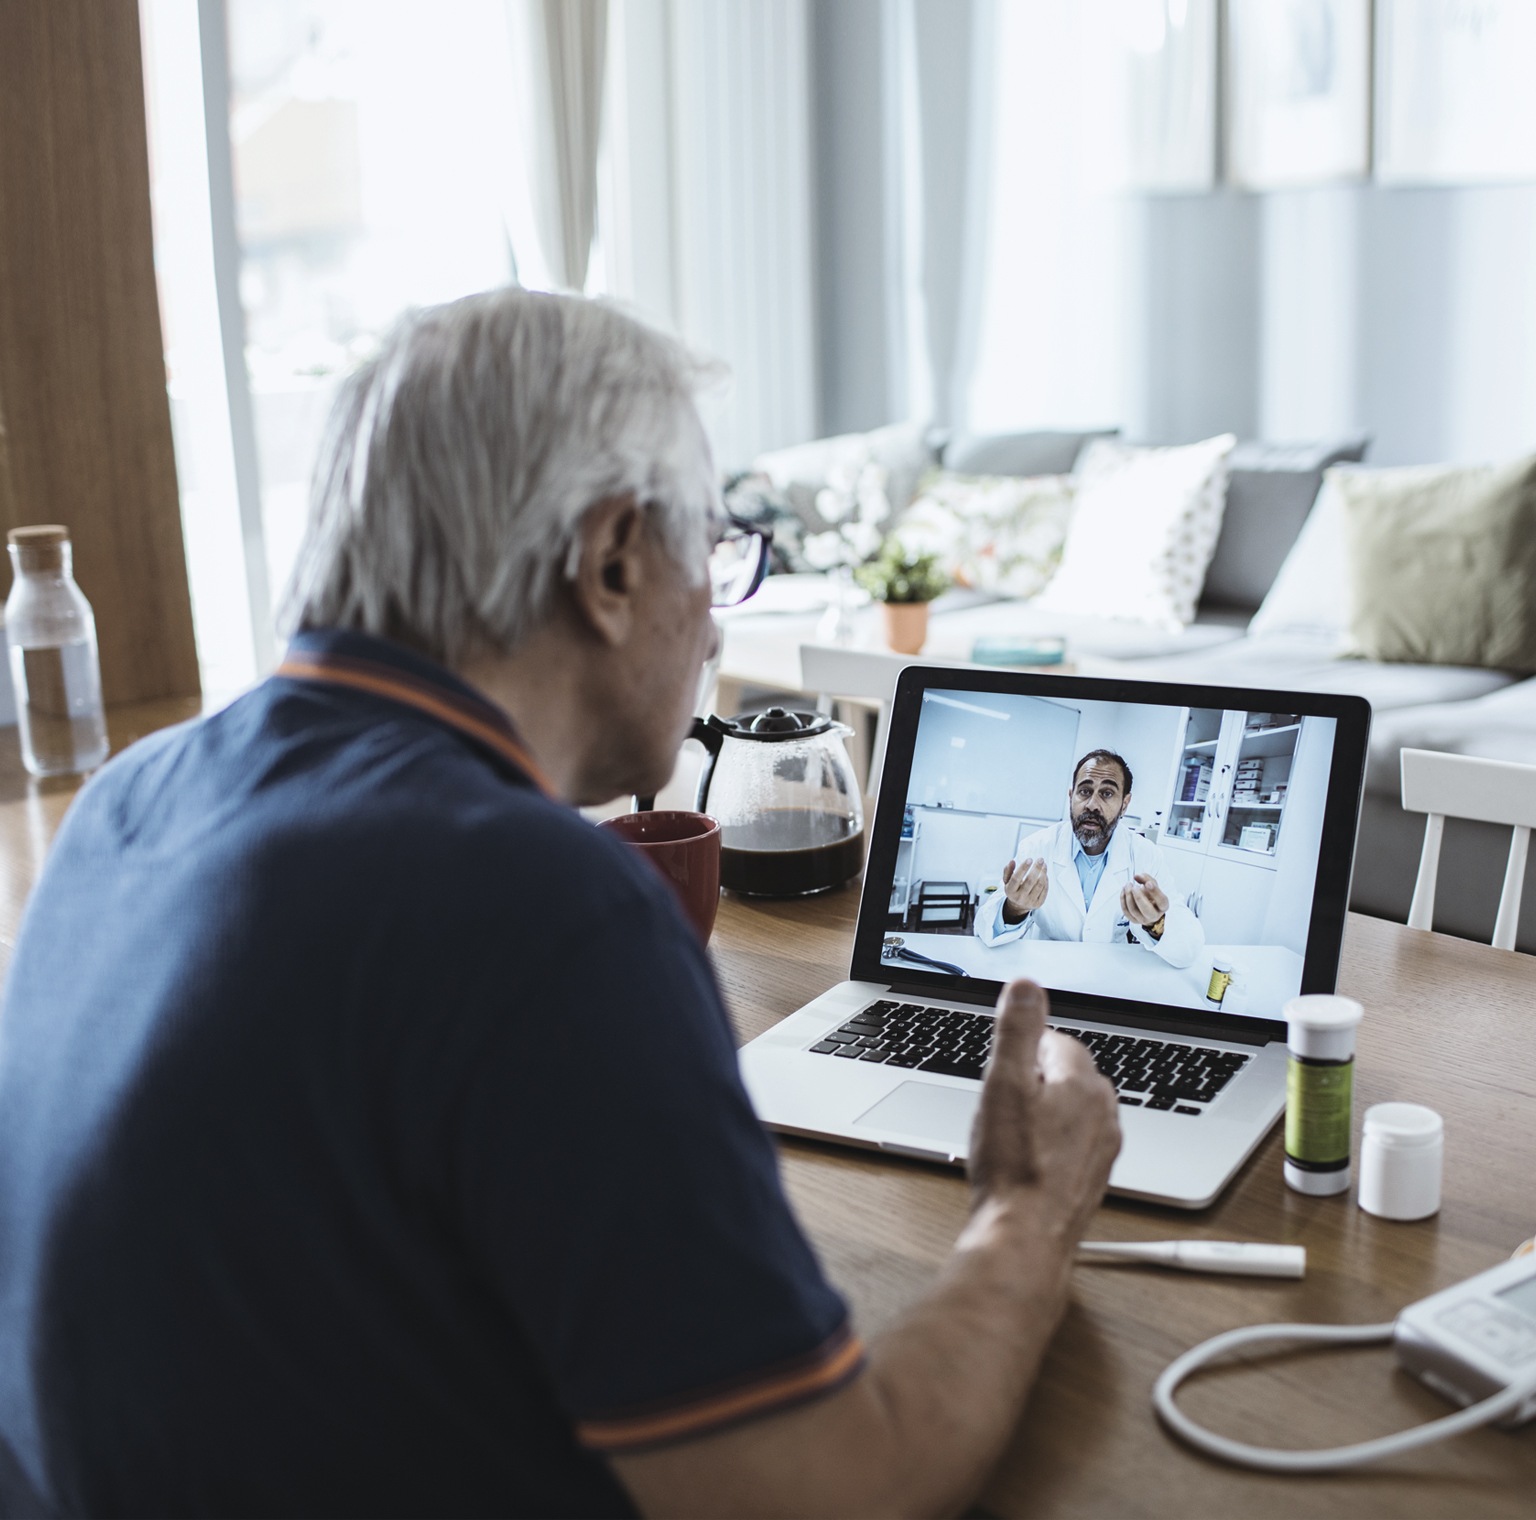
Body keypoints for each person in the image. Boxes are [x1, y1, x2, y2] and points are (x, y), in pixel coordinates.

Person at [0, 289, 1119, 1518]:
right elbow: (827, 1491)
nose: (711, 618)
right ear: (613, 560)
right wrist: (1029, 1213)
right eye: (716, 554)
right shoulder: (541, 907)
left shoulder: (123, 802)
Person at [975, 749, 1204, 969]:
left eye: (1107, 793)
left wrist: (1156, 923)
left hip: (1109, 974)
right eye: (1084, 791)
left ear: (1125, 803)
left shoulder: (1145, 855)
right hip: (1045, 969)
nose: (1092, 805)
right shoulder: (1037, 847)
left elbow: (1189, 950)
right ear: (1070, 796)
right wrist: (1014, 908)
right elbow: (983, 929)